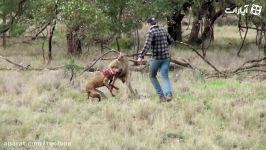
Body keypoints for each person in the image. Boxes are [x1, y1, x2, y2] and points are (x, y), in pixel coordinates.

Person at [137, 16, 174, 102]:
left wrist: (140, 56)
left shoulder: (151, 32)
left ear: (149, 24)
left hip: (156, 58)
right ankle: (168, 94)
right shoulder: (163, 30)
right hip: (166, 58)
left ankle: (161, 96)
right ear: (155, 23)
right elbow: (171, 41)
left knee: (152, 76)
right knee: (165, 76)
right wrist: (164, 45)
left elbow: (146, 46)